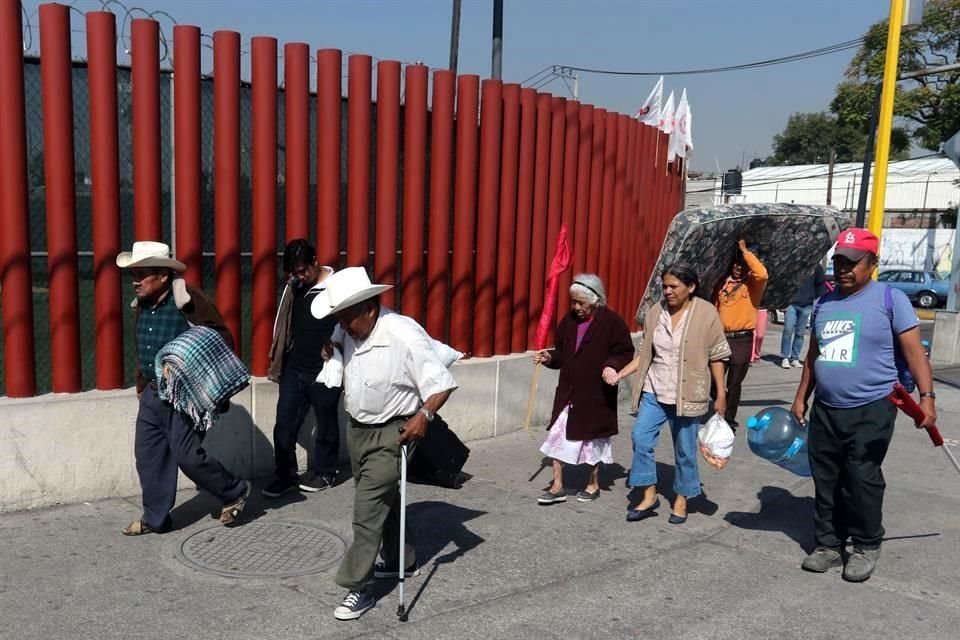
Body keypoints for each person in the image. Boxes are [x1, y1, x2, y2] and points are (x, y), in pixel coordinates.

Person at [311, 267, 458, 621]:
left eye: (346, 317)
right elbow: (337, 345)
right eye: (337, 318)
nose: (341, 326)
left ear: (369, 308)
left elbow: (441, 383)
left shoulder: (403, 334)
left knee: (367, 509)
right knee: (384, 501)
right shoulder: (347, 328)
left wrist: (424, 415)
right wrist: (330, 349)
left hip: (394, 431)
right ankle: (400, 559)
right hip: (357, 429)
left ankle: (358, 587)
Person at [791, 228, 936, 582]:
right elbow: (813, 355)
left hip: (874, 405)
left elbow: (915, 353)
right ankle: (828, 544)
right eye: (840, 261)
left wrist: (927, 398)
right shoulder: (824, 303)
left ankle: (866, 544)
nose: (844, 268)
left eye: (853, 262)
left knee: (861, 476)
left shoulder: (890, 299)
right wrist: (801, 397)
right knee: (826, 477)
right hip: (827, 407)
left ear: (873, 263)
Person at [116, 241, 250, 536]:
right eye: (133, 275)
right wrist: (141, 385)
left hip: (185, 396)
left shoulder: (187, 300)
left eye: (142, 274)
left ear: (163, 275)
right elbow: (144, 347)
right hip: (152, 394)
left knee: (187, 455)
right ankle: (156, 518)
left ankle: (234, 491)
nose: (135, 281)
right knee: (148, 456)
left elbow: (221, 338)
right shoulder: (143, 305)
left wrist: (187, 359)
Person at [616, 263, 731, 524]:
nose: (667, 291)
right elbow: (646, 353)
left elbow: (717, 356)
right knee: (640, 438)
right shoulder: (655, 312)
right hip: (654, 390)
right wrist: (621, 374)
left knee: (685, 451)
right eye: (665, 286)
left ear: (690, 287)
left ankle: (681, 498)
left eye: (674, 286)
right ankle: (649, 494)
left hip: (688, 393)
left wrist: (721, 394)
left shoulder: (706, 313)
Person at [534, 274, 635, 505]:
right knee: (557, 435)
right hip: (568, 391)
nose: (577, 308)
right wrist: (549, 357)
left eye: (582, 303)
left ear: (596, 300)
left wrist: (611, 366)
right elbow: (561, 353)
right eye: (574, 302)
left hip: (595, 393)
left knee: (592, 441)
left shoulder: (612, 322)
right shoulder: (569, 321)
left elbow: (624, 352)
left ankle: (592, 484)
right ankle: (557, 486)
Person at [263, 240, 341, 497]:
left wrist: (335, 344)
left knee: (326, 423)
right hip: (295, 368)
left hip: (324, 369)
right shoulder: (295, 287)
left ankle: (326, 471)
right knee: (284, 424)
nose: (299, 276)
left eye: (302, 271)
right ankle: (285, 475)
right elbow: (286, 323)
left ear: (315, 261)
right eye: (293, 272)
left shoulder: (336, 286)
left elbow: (349, 322)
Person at [713, 239, 768, 430]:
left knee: (734, 383)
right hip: (721, 338)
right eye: (736, 263)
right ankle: (722, 405)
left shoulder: (753, 284)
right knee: (713, 381)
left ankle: (728, 419)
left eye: (743, 264)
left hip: (742, 340)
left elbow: (762, 273)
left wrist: (745, 251)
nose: (738, 267)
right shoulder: (722, 283)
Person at [780, 264, 827, 369]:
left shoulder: (816, 266)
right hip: (791, 303)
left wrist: (820, 304)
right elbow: (784, 283)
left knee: (800, 333)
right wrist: (782, 301)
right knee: (788, 330)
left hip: (807, 305)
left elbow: (820, 286)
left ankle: (795, 358)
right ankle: (785, 357)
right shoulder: (794, 263)